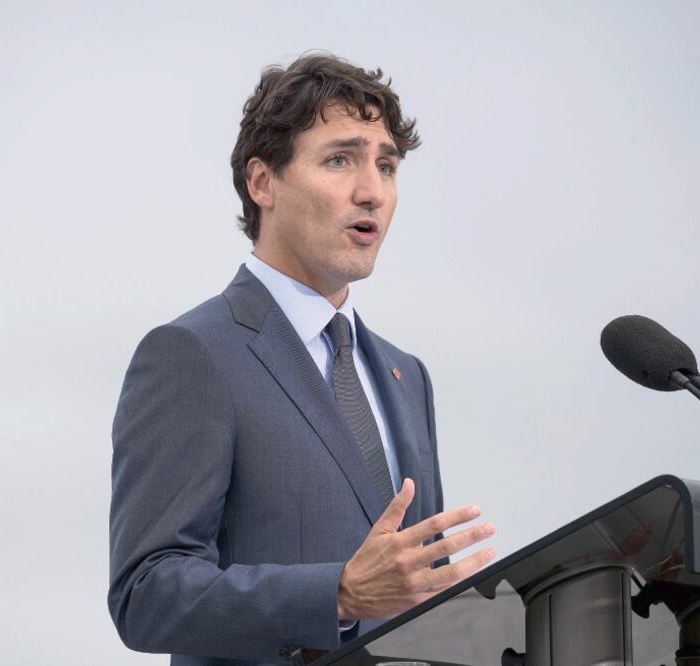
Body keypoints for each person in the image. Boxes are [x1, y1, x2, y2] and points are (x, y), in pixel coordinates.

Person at [108, 53, 495, 665]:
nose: (372, 191)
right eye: (340, 159)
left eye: (386, 165)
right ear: (263, 183)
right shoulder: (193, 354)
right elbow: (145, 595)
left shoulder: (407, 375)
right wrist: (336, 594)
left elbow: (414, 591)